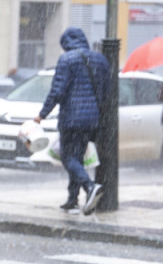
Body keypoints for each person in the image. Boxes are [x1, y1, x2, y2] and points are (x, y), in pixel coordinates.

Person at [34, 27, 110, 215]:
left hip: (71, 118)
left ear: (66, 43)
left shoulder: (67, 60)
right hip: (91, 119)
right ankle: (72, 200)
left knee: (68, 158)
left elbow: (57, 91)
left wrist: (41, 115)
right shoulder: (100, 60)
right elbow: (105, 91)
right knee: (77, 158)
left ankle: (90, 187)